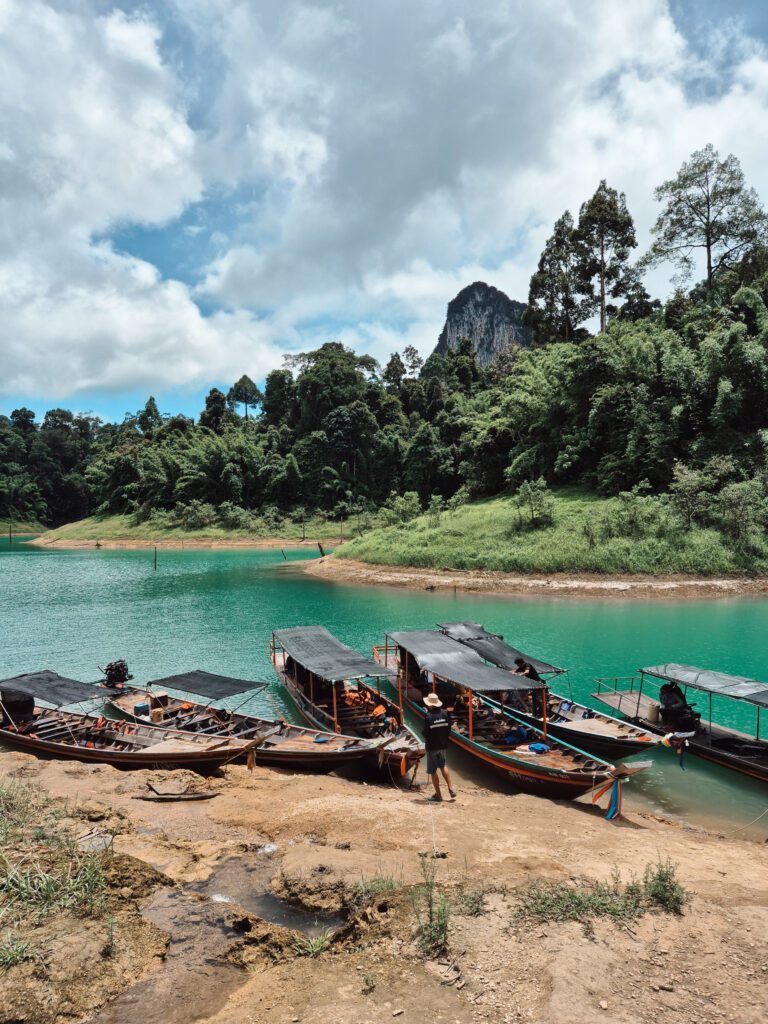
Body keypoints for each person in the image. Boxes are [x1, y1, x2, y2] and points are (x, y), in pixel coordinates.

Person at [421, 693, 456, 802]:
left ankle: (438, 796)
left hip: (432, 747)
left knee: (432, 771)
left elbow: (425, 733)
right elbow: (449, 729)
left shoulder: (428, 716)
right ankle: (451, 789)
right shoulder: (445, 713)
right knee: (443, 766)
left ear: (430, 705)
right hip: (443, 745)